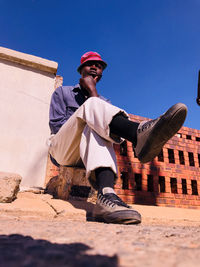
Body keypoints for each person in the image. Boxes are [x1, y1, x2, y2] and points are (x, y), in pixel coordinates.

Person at [49, 51, 187, 224]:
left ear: (101, 73)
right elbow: (56, 126)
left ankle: (107, 196)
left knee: (97, 124)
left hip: (87, 154)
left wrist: (93, 93)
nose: (95, 67)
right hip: (62, 151)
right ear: (81, 69)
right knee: (93, 109)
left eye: (99, 66)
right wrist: (88, 107)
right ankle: (138, 134)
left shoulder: (104, 101)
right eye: (90, 64)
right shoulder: (63, 93)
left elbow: (113, 138)